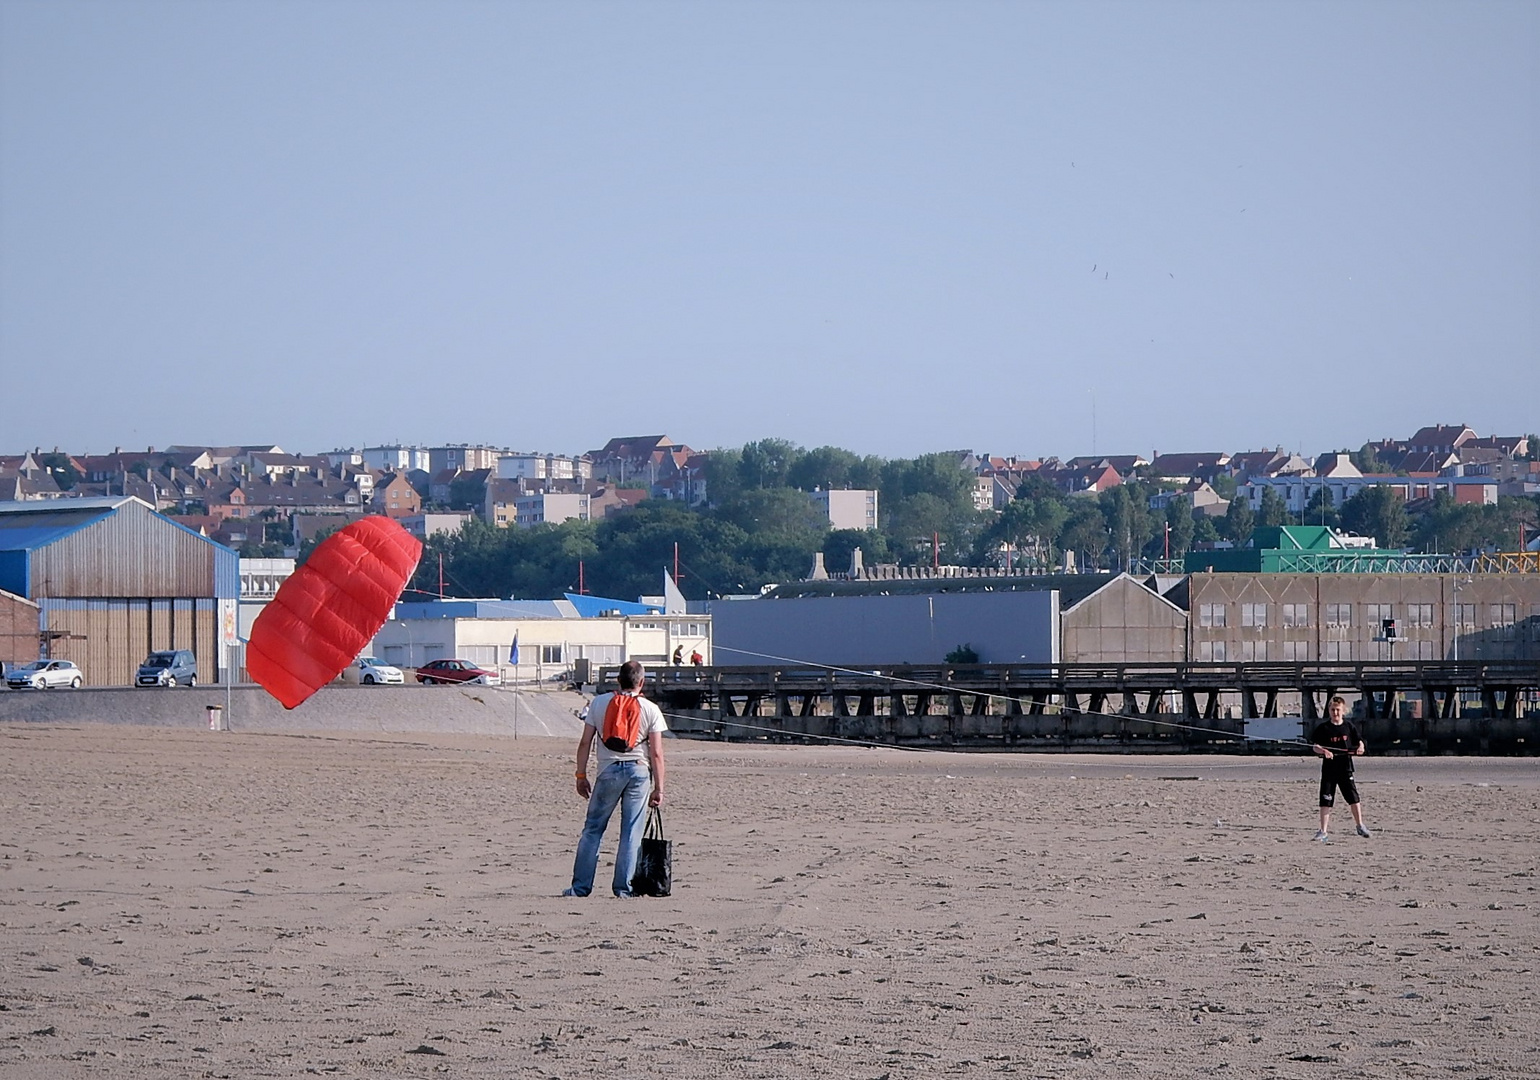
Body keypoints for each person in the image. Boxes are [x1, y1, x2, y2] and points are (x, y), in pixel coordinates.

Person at [563, 660, 668, 897]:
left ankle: (580, 888)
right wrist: (659, 788)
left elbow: (585, 742)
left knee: (592, 830)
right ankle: (623, 888)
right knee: (631, 831)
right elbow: (657, 753)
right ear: (641, 683)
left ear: (618, 680)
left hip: (608, 770)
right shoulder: (650, 709)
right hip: (639, 772)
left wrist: (581, 775)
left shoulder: (599, 703)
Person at [1310, 695, 1369, 841]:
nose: (1335, 713)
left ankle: (1360, 825)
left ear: (1343, 711)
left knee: (1353, 798)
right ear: (1329, 711)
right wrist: (1324, 751)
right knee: (1326, 800)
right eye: (1332, 710)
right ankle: (1323, 831)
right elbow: (1315, 746)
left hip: (1346, 768)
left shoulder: (1349, 727)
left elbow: (1359, 741)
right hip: (1329, 770)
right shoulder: (1324, 728)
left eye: (1337, 710)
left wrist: (1360, 747)